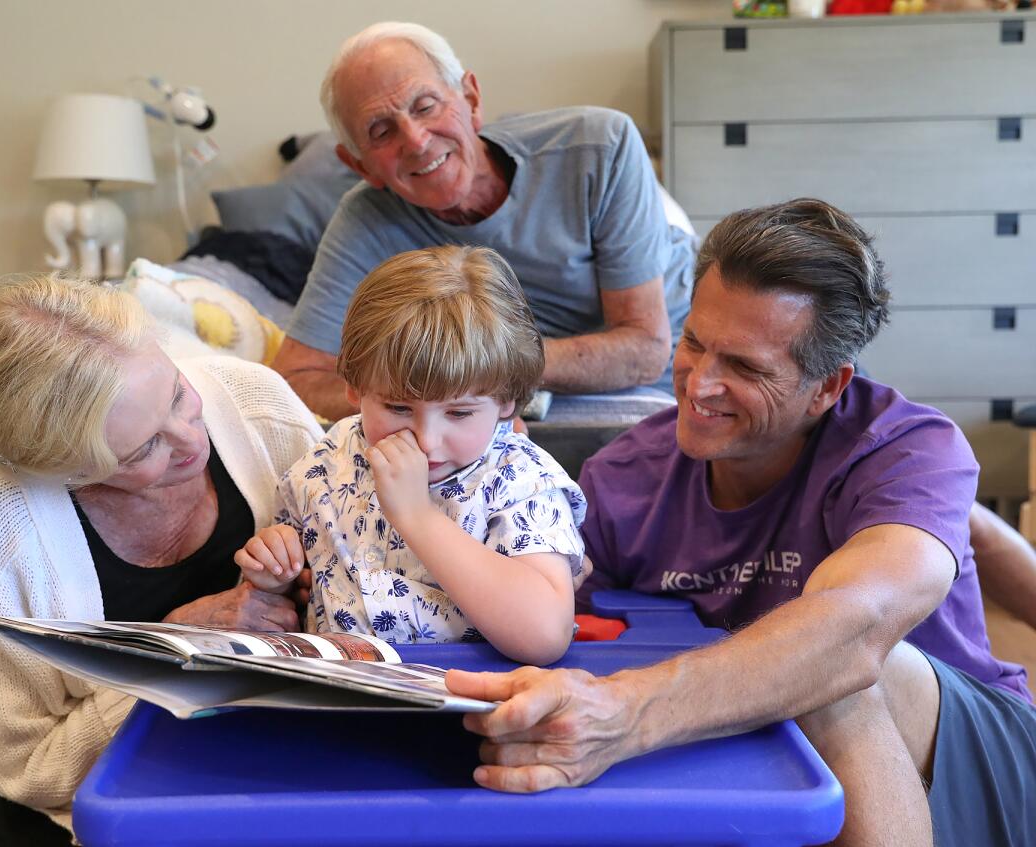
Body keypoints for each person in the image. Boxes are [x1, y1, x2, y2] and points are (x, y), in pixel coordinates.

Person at [445, 199, 1036, 846]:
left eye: (747, 367)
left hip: (975, 755)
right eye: (695, 342)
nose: (700, 385)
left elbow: (854, 628)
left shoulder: (909, 450)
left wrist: (629, 712)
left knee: (823, 675)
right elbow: (556, 633)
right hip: (762, 759)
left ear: (828, 386)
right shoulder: (621, 478)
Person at [0, 276, 323, 845]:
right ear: (66, 470)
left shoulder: (255, 403)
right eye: (144, 449)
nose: (190, 441)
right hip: (87, 792)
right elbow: (30, 768)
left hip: (271, 746)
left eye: (176, 394)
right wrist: (170, 649)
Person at [272, 21, 696, 420]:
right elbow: (295, 378)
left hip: (670, 366)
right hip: (506, 396)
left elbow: (645, 348)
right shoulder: (366, 219)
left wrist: (475, 372)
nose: (417, 141)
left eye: (425, 106)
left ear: (471, 99)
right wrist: (424, 406)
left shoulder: (600, 145)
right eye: (382, 132)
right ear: (359, 164)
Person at [236, 246, 585, 666]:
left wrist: (418, 516)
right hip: (340, 698)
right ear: (354, 388)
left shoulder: (520, 479)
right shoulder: (324, 462)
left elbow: (545, 636)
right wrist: (273, 573)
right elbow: (296, 588)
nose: (426, 440)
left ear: (507, 401)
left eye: (459, 413)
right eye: (398, 408)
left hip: (471, 700)